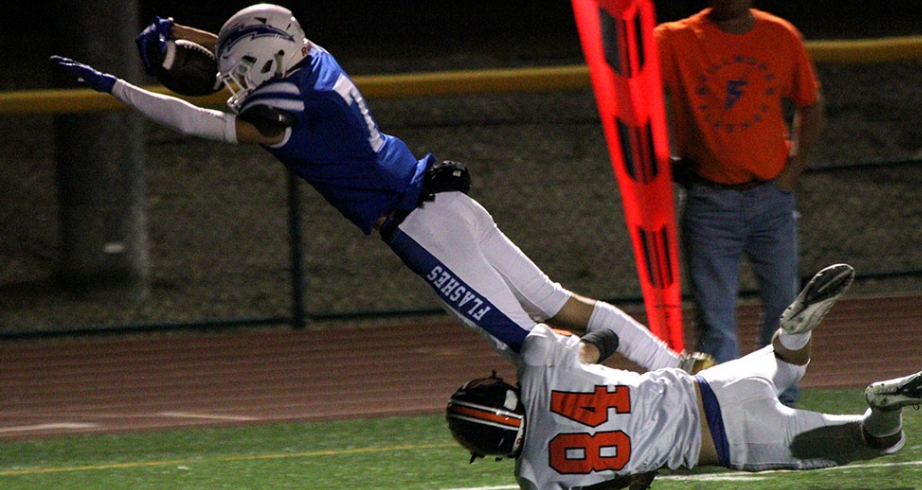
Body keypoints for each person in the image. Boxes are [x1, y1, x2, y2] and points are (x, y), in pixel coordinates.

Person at [49, 4, 711, 373]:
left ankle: (631, 409)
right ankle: (677, 367)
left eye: (237, 68)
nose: (231, 76)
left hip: (418, 224)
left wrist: (118, 87)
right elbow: (244, 43)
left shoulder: (275, 114)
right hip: (445, 197)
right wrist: (181, 32)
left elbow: (194, 119)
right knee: (555, 304)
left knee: (534, 348)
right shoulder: (314, 57)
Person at [445, 264, 922, 490]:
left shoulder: (537, 479)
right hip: (704, 386)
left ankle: (882, 408)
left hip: (725, 440)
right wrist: (581, 358)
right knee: (783, 362)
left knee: (868, 442)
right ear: (502, 395)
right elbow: (600, 335)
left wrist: (638, 467)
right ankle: (795, 327)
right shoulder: (540, 362)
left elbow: (606, 481)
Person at [654, 0, 825, 405]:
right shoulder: (673, 39)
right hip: (709, 202)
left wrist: (792, 173)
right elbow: (627, 93)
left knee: (786, 311)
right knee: (715, 321)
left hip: (772, 198)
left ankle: (779, 404)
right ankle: (726, 409)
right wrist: (662, 163)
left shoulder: (780, 34)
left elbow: (811, 104)